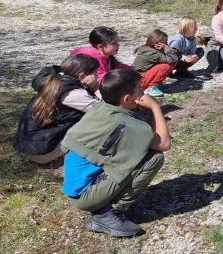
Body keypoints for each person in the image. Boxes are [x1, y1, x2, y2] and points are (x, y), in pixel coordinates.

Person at [61, 69, 171, 237]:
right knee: (153, 158)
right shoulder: (124, 124)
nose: (143, 93)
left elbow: (140, 129)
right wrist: (155, 107)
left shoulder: (101, 108)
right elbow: (163, 143)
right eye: (140, 89)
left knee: (142, 153)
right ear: (127, 99)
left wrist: (144, 111)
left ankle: (104, 204)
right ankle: (107, 213)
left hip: (76, 185)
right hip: (83, 195)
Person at [13, 54, 100, 165]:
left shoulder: (57, 81)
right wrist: (96, 87)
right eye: (96, 73)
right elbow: (107, 112)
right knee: (97, 123)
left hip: (31, 146)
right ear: (82, 76)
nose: (97, 76)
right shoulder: (73, 93)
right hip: (43, 152)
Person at [132, 29, 179, 98]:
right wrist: (166, 48)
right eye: (164, 42)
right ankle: (151, 88)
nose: (166, 44)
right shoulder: (153, 53)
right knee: (167, 65)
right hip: (139, 81)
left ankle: (152, 85)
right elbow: (173, 59)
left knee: (167, 62)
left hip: (137, 79)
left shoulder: (146, 48)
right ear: (156, 43)